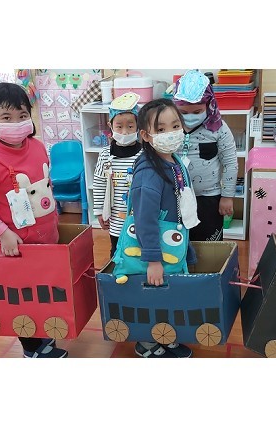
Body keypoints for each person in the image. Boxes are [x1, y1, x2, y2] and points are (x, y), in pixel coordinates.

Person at [0, 82, 67, 358]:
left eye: (22, 116)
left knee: (43, 290)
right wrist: (3, 233)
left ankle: (43, 337)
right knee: (24, 296)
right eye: (6, 117)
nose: (16, 123)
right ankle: (32, 349)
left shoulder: (37, 147)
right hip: (16, 245)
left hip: (45, 237)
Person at [124, 98, 198, 358]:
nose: (171, 133)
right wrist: (153, 259)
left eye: (175, 126)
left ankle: (164, 335)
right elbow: (144, 220)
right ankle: (146, 343)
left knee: (168, 295)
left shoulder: (173, 160)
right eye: (161, 129)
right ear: (146, 135)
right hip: (155, 249)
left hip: (172, 242)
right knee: (152, 297)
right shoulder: (149, 173)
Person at [172, 69, 239, 242]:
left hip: (209, 198)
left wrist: (227, 196)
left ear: (209, 105)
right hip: (175, 197)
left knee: (210, 244)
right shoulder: (170, 128)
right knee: (178, 243)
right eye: (183, 112)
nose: (190, 117)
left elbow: (230, 163)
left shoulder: (219, 128)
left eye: (197, 112)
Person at [92, 93, 143, 258]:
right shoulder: (105, 154)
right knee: (117, 250)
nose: (125, 131)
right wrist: (99, 211)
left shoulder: (144, 154)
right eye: (119, 126)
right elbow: (99, 183)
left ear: (138, 126)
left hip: (139, 216)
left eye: (130, 126)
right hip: (115, 218)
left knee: (137, 250)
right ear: (111, 126)